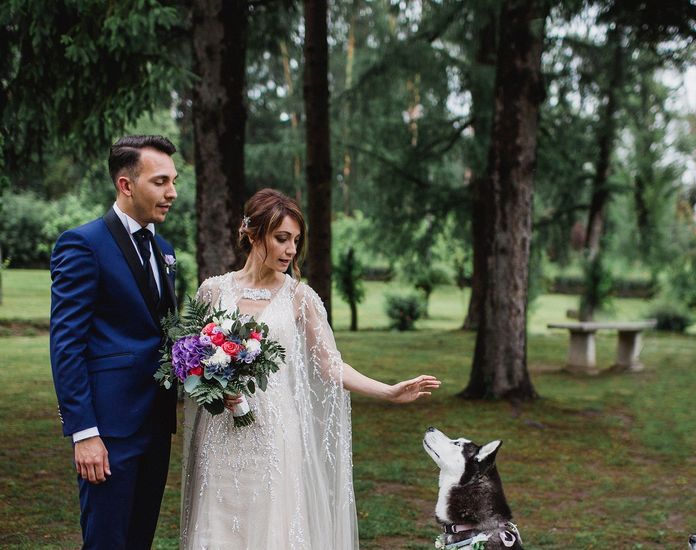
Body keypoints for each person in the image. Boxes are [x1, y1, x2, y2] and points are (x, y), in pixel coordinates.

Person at [180, 188, 440, 548]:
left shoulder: (300, 297)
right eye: (281, 238)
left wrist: (388, 390)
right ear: (252, 233)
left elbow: (331, 366)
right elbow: (190, 358)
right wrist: (213, 382)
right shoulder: (212, 291)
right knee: (218, 524)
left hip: (273, 433)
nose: (290, 250)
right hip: (221, 431)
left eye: (296, 241)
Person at [50, 135, 180, 548]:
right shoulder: (82, 245)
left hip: (156, 425)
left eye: (173, 181)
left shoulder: (163, 248)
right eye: (160, 182)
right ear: (126, 185)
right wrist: (84, 432)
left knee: (139, 539)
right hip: (108, 430)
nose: (172, 193)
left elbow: (160, 328)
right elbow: (66, 344)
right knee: (106, 541)